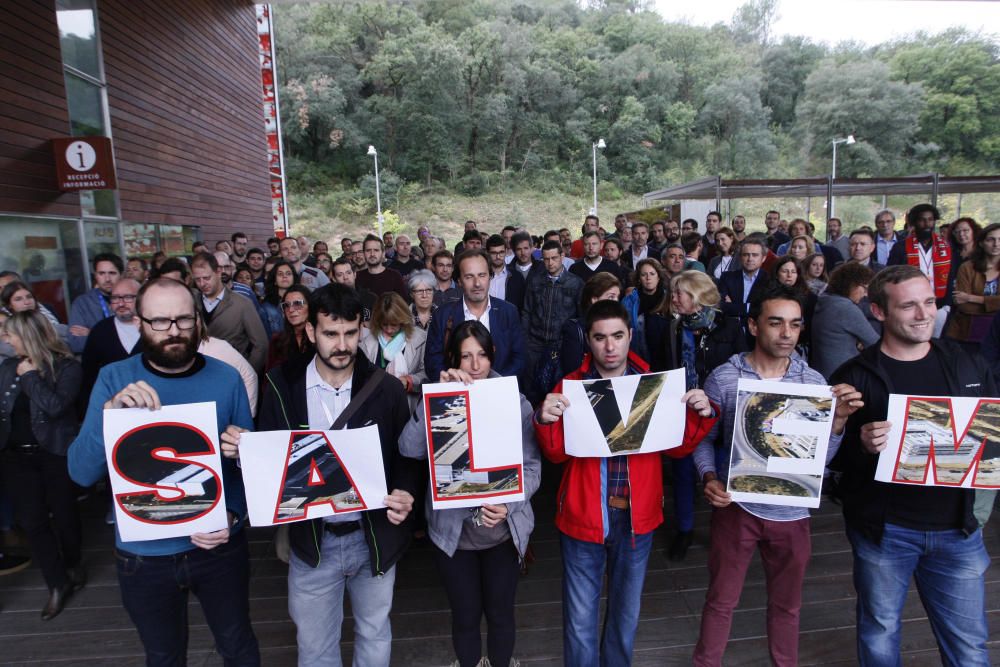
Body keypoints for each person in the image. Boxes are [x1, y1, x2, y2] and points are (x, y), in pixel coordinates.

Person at [68, 278, 260, 665]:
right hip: (143, 555)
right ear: (140, 322)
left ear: (198, 321)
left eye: (183, 320)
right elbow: (80, 473)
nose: (173, 331)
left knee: (238, 647)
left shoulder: (226, 378)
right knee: (163, 656)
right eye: (159, 321)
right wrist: (109, 417)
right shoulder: (113, 379)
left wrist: (234, 512)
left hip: (218, 548)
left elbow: (246, 469)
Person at [233, 283, 419, 667]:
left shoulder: (384, 388)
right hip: (312, 543)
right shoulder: (281, 385)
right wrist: (244, 454)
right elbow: (269, 460)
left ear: (361, 330)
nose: (342, 345)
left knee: (374, 632)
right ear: (312, 331)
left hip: (373, 538)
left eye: (351, 333)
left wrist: (404, 491)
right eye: (331, 334)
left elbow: (407, 455)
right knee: (316, 647)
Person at [534, 300, 716, 667]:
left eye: (617, 336)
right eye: (600, 337)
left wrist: (703, 413)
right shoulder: (571, 385)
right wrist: (544, 418)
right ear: (588, 340)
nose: (610, 346)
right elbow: (555, 455)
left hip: (637, 517)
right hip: (583, 516)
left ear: (630, 335)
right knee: (579, 618)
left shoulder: (652, 383)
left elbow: (679, 448)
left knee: (625, 616)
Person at [829, 265, 993, 666]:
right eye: (909, 306)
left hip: (959, 529)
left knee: (970, 646)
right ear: (880, 312)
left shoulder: (968, 363)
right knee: (880, 633)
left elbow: (992, 440)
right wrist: (860, 444)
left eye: (929, 303)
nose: (923, 315)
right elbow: (831, 463)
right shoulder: (854, 375)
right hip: (885, 532)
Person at [692, 286, 862, 666]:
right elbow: (702, 440)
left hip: (792, 514)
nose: (786, 333)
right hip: (737, 508)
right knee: (720, 601)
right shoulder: (724, 378)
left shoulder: (814, 384)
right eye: (776, 323)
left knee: (788, 607)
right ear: (753, 325)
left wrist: (836, 424)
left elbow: (820, 463)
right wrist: (708, 477)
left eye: (795, 325)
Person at [399, 321, 540, 667]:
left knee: (501, 613)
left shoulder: (514, 400)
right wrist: (434, 400)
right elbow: (408, 448)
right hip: (453, 533)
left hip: (503, 531)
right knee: (464, 614)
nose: (475, 366)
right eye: (465, 357)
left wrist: (509, 504)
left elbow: (533, 467)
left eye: (482, 355)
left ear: (492, 356)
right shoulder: (440, 395)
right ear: (453, 360)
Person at [0, 311, 85, 619]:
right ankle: (57, 583)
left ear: (28, 335)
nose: (5, 339)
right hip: (15, 457)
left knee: (65, 516)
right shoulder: (7, 367)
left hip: (55, 452)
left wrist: (30, 376)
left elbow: (55, 407)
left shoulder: (66, 367)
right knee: (34, 522)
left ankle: (73, 564)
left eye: (10, 334)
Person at [662, 270, 746, 562]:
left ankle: (724, 533)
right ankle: (685, 530)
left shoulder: (731, 326)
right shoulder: (674, 328)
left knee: (722, 472)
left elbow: (742, 370)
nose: (673, 298)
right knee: (682, 473)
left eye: (679, 293)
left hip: (723, 414)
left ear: (697, 297)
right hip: (685, 413)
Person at [425, 250, 526, 382]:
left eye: (482, 275)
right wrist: (453, 381)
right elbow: (432, 361)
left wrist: (496, 383)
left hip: (499, 392)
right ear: (459, 281)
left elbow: (519, 357)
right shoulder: (442, 315)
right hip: (459, 392)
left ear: (490, 277)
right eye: (469, 277)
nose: (477, 283)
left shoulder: (508, 312)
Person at [522, 241, 584, 398]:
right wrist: (525, 339)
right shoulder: (535, 280)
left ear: (562, 256)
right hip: (535, 343)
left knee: (560, 388)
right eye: (546, 259)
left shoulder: (576, 283)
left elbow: (581, 316)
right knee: (532, 388)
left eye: (554, 258)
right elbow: (527, 311)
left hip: (561, 344)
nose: (550, 263)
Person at [191, 252, 269, 375]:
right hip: (199, 374)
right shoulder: (191, 301)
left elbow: (261, 345)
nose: (202, 283)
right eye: (197, 279)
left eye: (206, 278)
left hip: (233, 372)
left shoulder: (242, 303)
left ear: (218, 272)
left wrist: (247, 374)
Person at [80, 278, 142, 408]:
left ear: (142, 298)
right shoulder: (100, 331)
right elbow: (88, 375)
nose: (121, 303)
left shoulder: (154, 327)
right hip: (112, 407)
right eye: (115, 298)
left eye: (127, 297)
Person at [359, 292, 427, 411]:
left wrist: (409, 381)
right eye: (384, 325)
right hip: (377, 406)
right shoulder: (367, 343)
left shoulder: (420, 339)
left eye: (394, 325)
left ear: (403, 320)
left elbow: (427, 373)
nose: (389, 330)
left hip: (408, 406)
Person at [810, 263, 878, 380]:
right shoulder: (845, 308)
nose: (866, 294)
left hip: (822, 374)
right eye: (865, 288)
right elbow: (875, 344)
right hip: (843, 377)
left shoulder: (825, 300)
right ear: (852, 285)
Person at [558, 272, 622, 378]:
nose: (616, 302)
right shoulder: (574, 329)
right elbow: (573, 374)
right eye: (611, 297)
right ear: (594, 300)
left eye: (617, 297)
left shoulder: (621, 327)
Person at [887, 203, 952, 307]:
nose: (927, 224)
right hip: (909, 301)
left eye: (930, 220)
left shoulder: (946, 247)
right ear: (914, 222)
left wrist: (947, 306)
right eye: (922, 220)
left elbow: (951, 277)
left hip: (940, 303)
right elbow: (890, 275)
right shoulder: (900, 247)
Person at [947, 222, 1000, 345]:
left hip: (996, 336)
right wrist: (994, 305)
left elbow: (966, 300)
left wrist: (972, 298)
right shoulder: (967, 267)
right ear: (981, 243)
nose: (996, 244)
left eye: (999, 239)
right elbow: (963, 306)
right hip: (967, 332)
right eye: (991, 239)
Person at [68, 252, 123, 353]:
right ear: (95, 276)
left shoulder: (133, 299)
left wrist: (92, 333)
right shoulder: (82, 303)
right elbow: (77, 344)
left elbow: (137, 338)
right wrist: (114, 338)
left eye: (112, 273)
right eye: (101, 273)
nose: (107, 279)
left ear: (121, 275)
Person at [621, 258, 671, 366]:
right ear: (639, 278)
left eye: (652, 274)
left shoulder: (670, 299)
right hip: (637, 358)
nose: (648, 278)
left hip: (665, 357)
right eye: (644, 274)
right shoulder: (628, 301)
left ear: (658, 277)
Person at [718, 238, 769, 337]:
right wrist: (749, 307)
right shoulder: (727, 277)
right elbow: (721, 306)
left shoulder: (769, 280)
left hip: (756, 335)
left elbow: (764, 310)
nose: (750, 259)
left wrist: (733, 306)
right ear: (740, 257)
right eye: (746, 255)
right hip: (728, 334)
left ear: (763, 258)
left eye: (755, 255)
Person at [267, 285, 314, 370]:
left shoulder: (320, 339)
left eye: (297, 304)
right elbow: (269, 378)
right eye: (286, 305)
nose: (291, 310)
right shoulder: (277, 341)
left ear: (310, 306)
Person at [0, 280, 66, 336]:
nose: (26, 302)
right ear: (9, 305)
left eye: (29, 297)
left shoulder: (43, 313)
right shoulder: (5, 322)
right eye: (18, 299)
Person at [356, 234, 407, 299]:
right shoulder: (357, 277)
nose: (372, 254)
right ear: (364, 253)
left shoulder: (395, 276)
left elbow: (402, 304)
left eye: (376, 250)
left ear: (383, 253)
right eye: (368, 250)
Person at [259, 260, 299, 339]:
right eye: (280, 274)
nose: (285, 276)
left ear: (294, 278)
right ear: (275, 281)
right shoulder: (266, 308)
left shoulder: (302, 302)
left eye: (288, 273)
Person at [486, 234, 526, 311]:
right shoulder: (481, 276)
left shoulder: (517, 277)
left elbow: (522, 306)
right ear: (488, 253)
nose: (498, 256)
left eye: (501, 252)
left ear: (506, 251)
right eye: (494, 253)